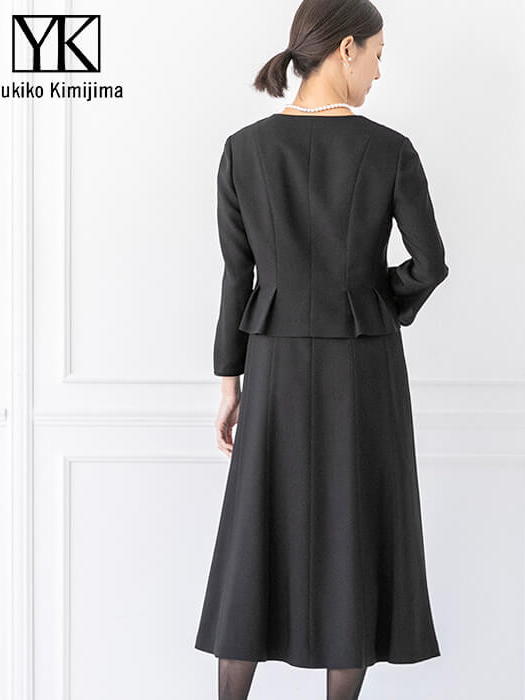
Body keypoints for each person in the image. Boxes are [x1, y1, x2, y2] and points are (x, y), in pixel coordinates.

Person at [194, 1, 449, 698]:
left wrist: (229, 384)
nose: (378, 73)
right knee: (353, 533)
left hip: (273, 362)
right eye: (377, 55)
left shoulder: (244, 149)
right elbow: (431, 264)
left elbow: (237, 277)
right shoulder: (389, 149)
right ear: (346, 49)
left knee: (255, 536)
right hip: (362, 363)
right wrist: (374, 300)